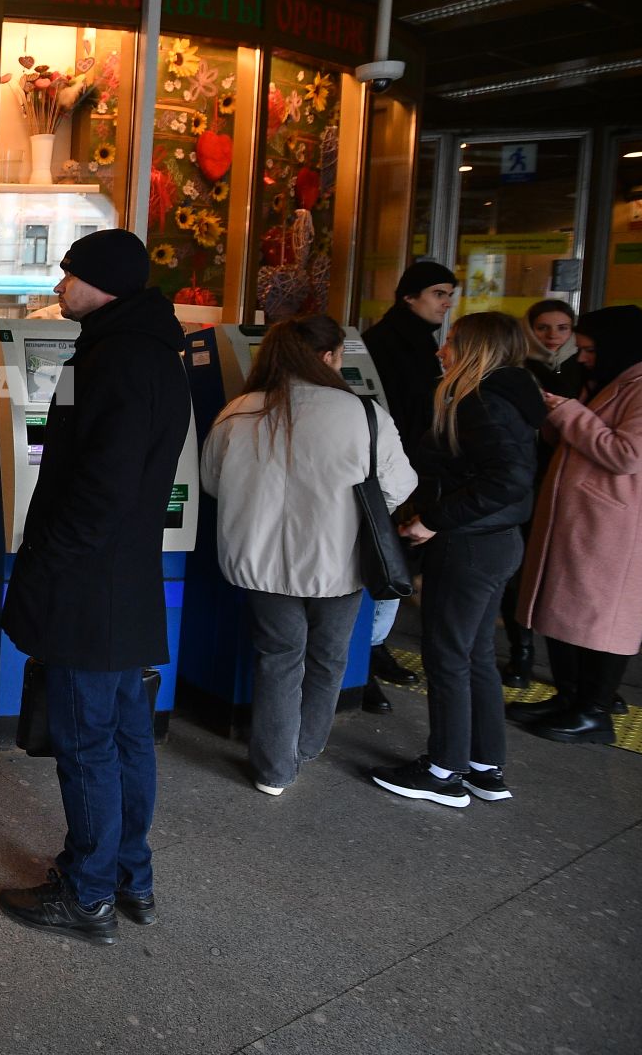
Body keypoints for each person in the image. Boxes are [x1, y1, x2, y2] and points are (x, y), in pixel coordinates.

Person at [0, 229, 191, 946]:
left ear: (101, 282)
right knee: (128, 739)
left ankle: (85, 894)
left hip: (89, 589)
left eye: (67, 275)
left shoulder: (114, 358)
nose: (57, 287)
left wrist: (47, 567)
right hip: (127, 580)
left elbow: (96, 492)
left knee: (88, 748)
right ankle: (128, 878)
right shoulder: (148, 351)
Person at [200, 314, 417, 796]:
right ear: (327, 356)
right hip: (338, 561)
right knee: (329, 656)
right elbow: (399, 485)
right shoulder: (363, 414)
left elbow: (212, 482)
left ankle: (274, 769)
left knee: (278, 657)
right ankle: (307, 744)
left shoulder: (238, 411)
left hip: (259, 563)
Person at [371, 312, 542, 809]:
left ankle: (443, 770)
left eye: (451, 341)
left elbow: (506, 479)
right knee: (474, 655)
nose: (442, 349)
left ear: (477, 349)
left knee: (447, 656)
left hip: (469, 544)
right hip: (497, 541)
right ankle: (486, 767)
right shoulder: (513, 396)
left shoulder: (481, 401)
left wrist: (435, 520)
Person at [509, 305, 642, 744]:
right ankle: (570, 696)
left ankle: (594, 711)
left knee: (601, 617)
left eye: (589, 349)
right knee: (565, 607)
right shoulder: (613, 379)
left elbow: (627, 454)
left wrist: (568, 411)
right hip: (582, 518)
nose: (583, 357)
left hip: (614, 524)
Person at [357, 261, 458, 709]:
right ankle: (365, 654)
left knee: (395, 560)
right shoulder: (382, 344)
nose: (446, 302)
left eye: (449, 294)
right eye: (438, 292)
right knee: (383, 559)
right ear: (409, 296)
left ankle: (374, 649)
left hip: (414, 471)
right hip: (389, 470)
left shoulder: (424, 344)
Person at [498, 298, 587, 685]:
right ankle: (521, 652)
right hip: (529, 478)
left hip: (570, 482)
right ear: (529, 329)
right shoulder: (519, 369)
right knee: (520, 571)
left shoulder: (586, 370)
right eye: (543, 328)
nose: (552, 336)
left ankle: (569, 666)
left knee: (564, 572)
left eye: (562, 328)